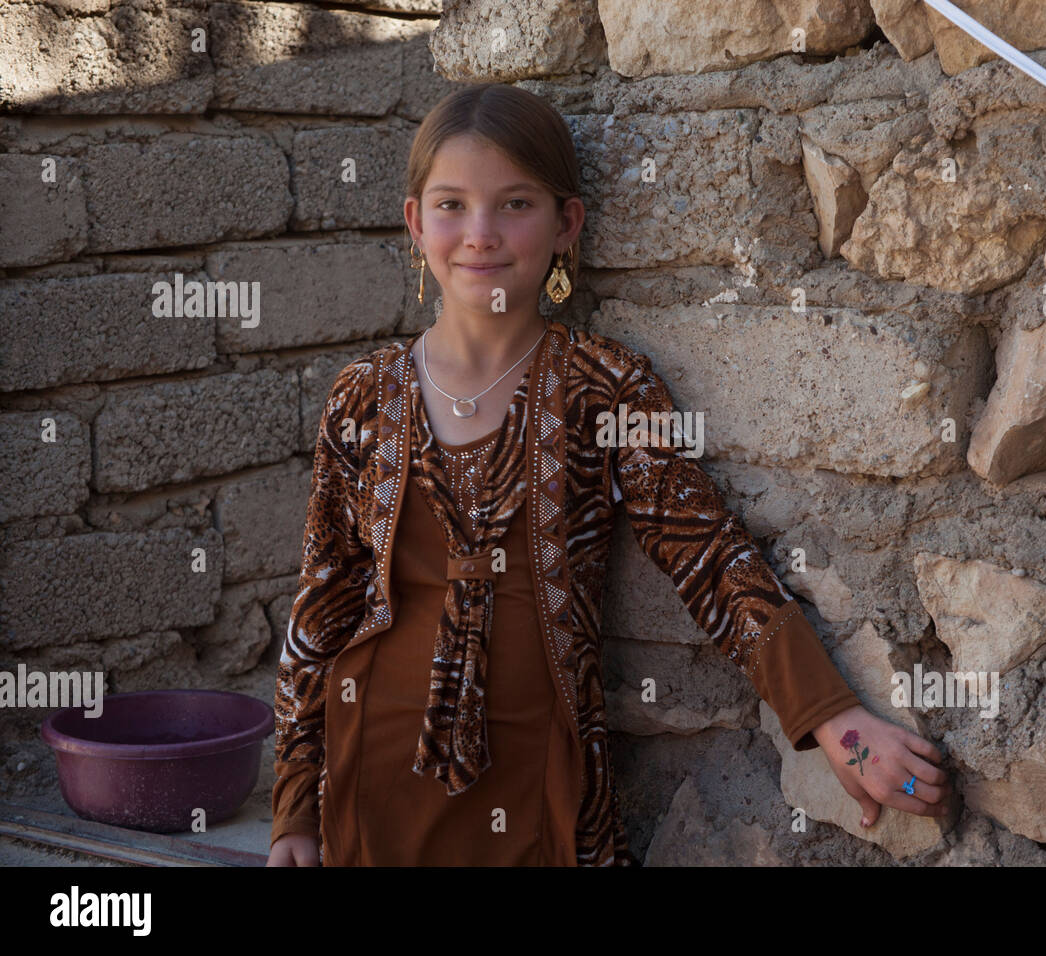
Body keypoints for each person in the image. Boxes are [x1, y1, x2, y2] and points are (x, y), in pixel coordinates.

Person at [267, 84, 953, 867]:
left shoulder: (605, 386)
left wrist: (832, 720)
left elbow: (709, 557)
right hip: (370, 791)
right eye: (452, 205)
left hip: (544, 792)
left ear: (567, 224)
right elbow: (320, 612)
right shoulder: (364, 395)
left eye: (515, 204)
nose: (480, 234)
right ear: (416, 222)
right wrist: (294, 812)